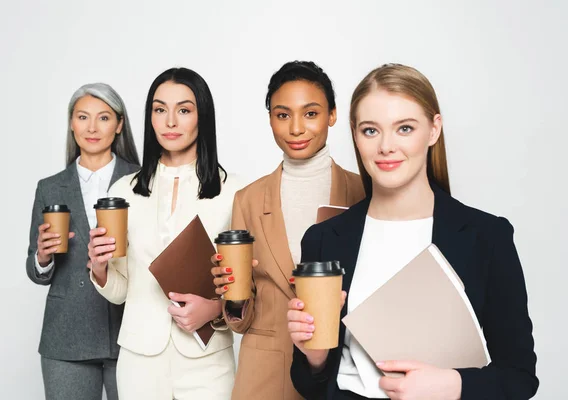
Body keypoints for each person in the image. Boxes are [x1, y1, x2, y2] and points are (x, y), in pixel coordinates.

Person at [287, 63, 539, 400]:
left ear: (434, 129)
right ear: (355, 134)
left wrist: (452, 385)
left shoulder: (487, 237)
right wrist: (315, 358)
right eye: (370, 131)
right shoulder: (322, 239)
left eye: (404, 128)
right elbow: (311, 385)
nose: (386, 147)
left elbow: (520, 377)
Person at [211, 61, 365, 400]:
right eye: (282, 115)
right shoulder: (248, 199)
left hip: (346, 368)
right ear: (270, 120)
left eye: (310, 114)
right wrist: (231, 297)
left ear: (333, 115)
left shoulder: (362, 193)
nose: (296, 128)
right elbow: (240, 318)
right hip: (266, 371)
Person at [88, 67, 243, 400]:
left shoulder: (235, 192)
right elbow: (121, 291)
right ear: (150, 118)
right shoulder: (123, 193)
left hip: (207, 359)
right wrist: (99, 269)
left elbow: (246, 283)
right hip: (139, 358)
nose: (170, 121)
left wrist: (215, 309)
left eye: (184, 110)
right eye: (160, 110)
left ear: (203, 117)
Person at [26, 83, 140, 400]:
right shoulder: (49, 188)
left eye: (103, 118)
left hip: (130, 333)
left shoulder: (143, 181)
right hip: (66, 336)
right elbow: (35, 270)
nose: (91, 128)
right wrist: (43, 257)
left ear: (119, 125)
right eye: (82, 117)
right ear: (71, 123)